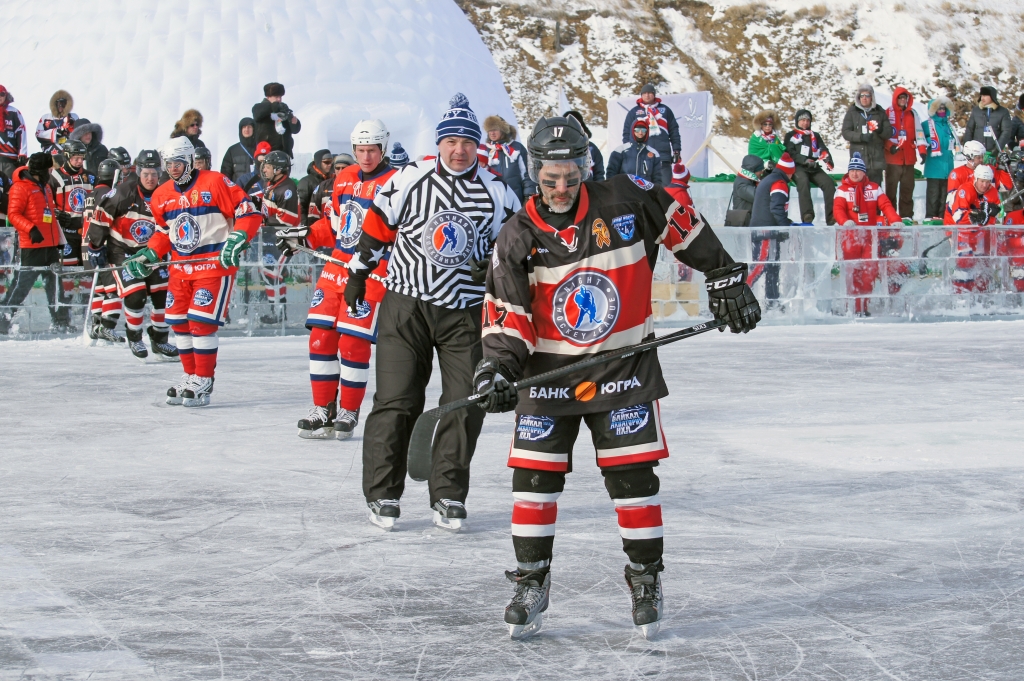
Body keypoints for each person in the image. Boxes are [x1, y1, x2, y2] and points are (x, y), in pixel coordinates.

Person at [475, 115, 759, 640]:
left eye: (570, 175)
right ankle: (532, 582)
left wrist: (723, 274)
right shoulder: (516, 236)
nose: (561, 188)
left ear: (586, 166)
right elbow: (508, 317)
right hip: (546, 379)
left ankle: (646, 579)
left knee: (633, 483)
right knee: (533, 484)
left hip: (624, 369)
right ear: (534, 173)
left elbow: (683, 223)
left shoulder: (628, 197)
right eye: (549, 178)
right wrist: (496, 367)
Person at [345, 94, 520, 531]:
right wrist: (357, 274)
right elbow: (376, 227)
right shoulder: (411, 177)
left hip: (465, 314)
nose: (459, 149)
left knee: (465, 402)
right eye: (451, 140)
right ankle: (383, 493)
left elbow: (517, 249)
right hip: (406, 306)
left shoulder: (498, 192)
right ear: (439, 143)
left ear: (478, 146)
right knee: (397, 401)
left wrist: (495, 266)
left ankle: (447, 494)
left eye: (467, 142)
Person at [281, 120, 398, 440]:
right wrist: (303, 235)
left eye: (372, 150)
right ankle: (323, 408)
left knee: (352, 343)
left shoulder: (397, 181)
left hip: (373, 272)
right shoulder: (344, 178)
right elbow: (336, 228)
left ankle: (349, 408)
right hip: (336, 270)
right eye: (360, 150)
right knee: (320, 338)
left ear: (383, 148)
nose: (366, 156)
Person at [123, 137, 261, 407]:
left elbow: (249, 211)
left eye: (177, 163)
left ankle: (204, 379)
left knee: (201, 322)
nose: (173, 168)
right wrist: (150, 252)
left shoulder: (216, 182)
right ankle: (190, 375)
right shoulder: (162, 194)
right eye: (168, 164)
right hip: (180, 268)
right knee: (178, 321)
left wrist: (238, 237)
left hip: (213, 266)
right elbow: (165, 232)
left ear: (188, 161)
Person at [88, 150, 178, 360]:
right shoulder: (123, 192)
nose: (150, 178)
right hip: (123, 252)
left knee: (163, 296)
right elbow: (101, 216)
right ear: (138, 172)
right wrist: (95, 245)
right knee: (136, 295)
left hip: (153, 252)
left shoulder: (166, 193)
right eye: (146, 173)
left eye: (154, 173)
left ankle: (160, 340)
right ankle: (135, 337)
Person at [1, 152, 73, 334]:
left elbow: (46, 211)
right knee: (21, 286)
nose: (51, 172)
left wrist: (59, 218)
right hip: (31, 246)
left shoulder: (45, 186)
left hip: (50, 244)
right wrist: (31, 228)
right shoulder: (20, 187)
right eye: (49, 169)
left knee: (55, 285)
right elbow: (14, 214)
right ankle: (4, 318)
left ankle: (60, 320)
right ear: (40, 170)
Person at [834, 152, 902, 316]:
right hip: (850, 238)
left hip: (870, 238)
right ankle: (850, 307)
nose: (854, 173)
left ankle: (862, 307)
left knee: (869, 272)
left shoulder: (874, 188)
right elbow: (838, 209)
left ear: (864, 172)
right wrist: (844, 222)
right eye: (852, 170)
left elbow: (886, 205)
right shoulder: (842, 190)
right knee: (852, 273)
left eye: (858, 170)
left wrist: (895, 220)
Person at [82, 158, 124, 343]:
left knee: (99, 289)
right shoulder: (110, 194)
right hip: (102, 248)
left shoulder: (92, 193)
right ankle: (106, 327)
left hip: (87, 248)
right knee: (114, 289)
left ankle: (96, 326)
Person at [255, 150, 300, 324]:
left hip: (287, 241)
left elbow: (287, 219)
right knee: (268, 272)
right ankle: (277, 311)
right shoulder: (273, 186)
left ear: (278, 169)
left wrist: (262, 220)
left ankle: (279, 312)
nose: (264, 170)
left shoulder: (287, 189)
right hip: (272, 240)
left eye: (268, 166)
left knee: (274, 272)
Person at [749, 153, 796, 307]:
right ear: (790, 171)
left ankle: (772, 301)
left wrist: (786, 223)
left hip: (766, 230)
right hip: (766, 232)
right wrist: (785, 227)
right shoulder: (779, 182)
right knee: (760, 265)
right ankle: (738, 293)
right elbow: (776, 208)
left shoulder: (770, 179)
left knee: (773, 267)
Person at [947, 164, 1000, 292]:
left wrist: (989, 215)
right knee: (965, 265)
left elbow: (994, 218)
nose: (984, 185)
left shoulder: (992, 192)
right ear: (976, 179)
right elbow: (958, 216)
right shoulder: (965, 189)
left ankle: (982, 296)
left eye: (987, 182)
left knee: (984, 265)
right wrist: (975, 216)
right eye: (982, 181)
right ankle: (961, 295)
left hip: (982, 236)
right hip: (963, 234)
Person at [620, 84, 680, 185]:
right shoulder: (634, 112)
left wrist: (676, 150)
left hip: (663, 156)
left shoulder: (665, 111)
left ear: (654, 95)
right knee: (643, 189)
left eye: (649, 93)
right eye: (644, 93)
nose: (647, 95)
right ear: (641, 95)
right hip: (642, 156)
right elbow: (627, 133)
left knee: (665, 190)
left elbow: (674, 131)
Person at [784, 109, 836, 224]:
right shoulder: (791, 135)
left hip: (813, 167)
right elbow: (789, 152)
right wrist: (804, 160)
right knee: (803, 181)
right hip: (798, 167)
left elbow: (823, 149)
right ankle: (807, 214)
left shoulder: (815, 136)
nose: (805, 123)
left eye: (807, 120)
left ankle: (831, 215)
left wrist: (828, 159)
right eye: (802, 120)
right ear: (797, 121)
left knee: (828, 183)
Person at [49, 140, 95, 270]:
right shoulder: (55, 176)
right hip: (66, 233)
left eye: (82, 158)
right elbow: (47, 201)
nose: (80, 161)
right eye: (76, 158)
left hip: (86, 231)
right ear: (67, 156)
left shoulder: (90, 176)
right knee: (68, 269)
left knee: (88, 269)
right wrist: (57, 215)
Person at [883, 88, 923, 220]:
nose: (902, 100)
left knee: (907, 190)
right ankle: (890, 216)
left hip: (909, 159)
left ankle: (906, 216)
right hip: (892, 159)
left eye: (904, 98)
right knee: (891, 191)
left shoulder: (912, 114)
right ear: (895, 99)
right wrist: (890, 147)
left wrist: (922, 151)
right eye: (900, 98)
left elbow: (919, 133)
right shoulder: (888, 113)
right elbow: (882, 135)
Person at [841, 84, 893, 185]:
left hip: (876, 160)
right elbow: (846, 133)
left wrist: (879, 130)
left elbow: (888, 133)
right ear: (858, 97)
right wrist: (860, 137)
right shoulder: (852, 112)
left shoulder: (879, 112)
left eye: (867, 95)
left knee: (874, 191)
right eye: (862, 95)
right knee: (858, 191)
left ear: (872, 97)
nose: (864, 98)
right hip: (858, 160)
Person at [481, 115, 536, 204]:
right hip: (492, 201)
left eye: (495, 129)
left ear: (503, 131)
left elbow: (527, 174)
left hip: (516, 199)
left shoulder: (517, 148)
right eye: (489, 130)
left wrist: (529, 194)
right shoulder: (485, 150)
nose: (492, 133)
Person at [921, 97, 959, 221]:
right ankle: (930, 217)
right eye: (939, 108)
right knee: (933, 194)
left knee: (945, 194)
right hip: (934, 165)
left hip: (948, 165)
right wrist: (930, 141)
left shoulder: (949, 125)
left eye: (943, 108)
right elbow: (920, 139)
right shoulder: (926, 125)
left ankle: (943, 217)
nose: (942, 110)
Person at [252, 82, 301, 157]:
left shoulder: (283, 108)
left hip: (284, 152)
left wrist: (295, 123)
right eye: (276, 97)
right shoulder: (259, 107)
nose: (279, 99)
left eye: (280, 97)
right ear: (268, 97)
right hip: (266, 152)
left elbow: (295, 130)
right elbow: (258, 114)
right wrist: (273, 106)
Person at [962, 86, 1012, 154]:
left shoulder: (1003, 112)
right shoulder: (976, 111)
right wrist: (967, 146)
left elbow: (1006, 131)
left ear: (992, 96)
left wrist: (997, 148)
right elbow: (969, 129)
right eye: (981, 95)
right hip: (977, 153)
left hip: (994, 152)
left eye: (985, 95)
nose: (982, 98)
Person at [564, 110, 604, 181]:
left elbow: (599, 173)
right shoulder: (557, 148)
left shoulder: (591, 148)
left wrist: (598, 190)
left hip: (589, 190)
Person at [297, 149, 333, 226]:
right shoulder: (306, 182)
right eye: (326, 162)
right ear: (318, 162)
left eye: (331, 162)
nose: (329, 165)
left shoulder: (331, 180)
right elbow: (301, 208)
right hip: (311, 225)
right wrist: (305, 227)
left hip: (326, 224)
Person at [36, 90, 78, 154]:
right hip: (49, 152)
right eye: (58, 104)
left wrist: (71, 125)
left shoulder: (73, 116)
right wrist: (56, 132)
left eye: (63, 103)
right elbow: (38, 134)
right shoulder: (45, 118)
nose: (60, 106)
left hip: (68, 152)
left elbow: (78, 133)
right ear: (54, 104)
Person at [726, 155, 764, 226]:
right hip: (742, 224)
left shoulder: (750, 180)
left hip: (747, 221)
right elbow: (758, 196)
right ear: (752, 170)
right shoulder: (741, 184)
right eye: (760, 170)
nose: (762, 172)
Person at [0, 85, 28, 180]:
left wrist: (22, 154)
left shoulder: (14, 112)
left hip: (10, 160)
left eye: (2, 94)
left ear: (6, 95)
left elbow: (21, 132)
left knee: (10, 188)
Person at [220, 117, 257, 183]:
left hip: (258, 190)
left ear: (254, 129)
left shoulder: (261, 148)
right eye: (244, 127)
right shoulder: (232, 150)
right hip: (238, 190)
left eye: (249, 127)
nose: (247, 129)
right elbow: (225, 175)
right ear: (240, 130)